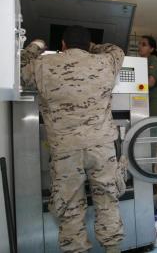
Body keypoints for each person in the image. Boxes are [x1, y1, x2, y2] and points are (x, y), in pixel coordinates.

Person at [20, 25, 126, 253]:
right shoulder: (107, 62)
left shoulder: (41, 66)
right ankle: (113, 249)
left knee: (69, 207)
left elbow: (17, 68)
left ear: (63, 45)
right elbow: (117, 50)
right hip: (102, 148)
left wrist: (36, 46)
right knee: (108, 200)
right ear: (88, 46)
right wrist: (94, 48)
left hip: (66, 152)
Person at [138, 35, 157, 117]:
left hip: (155, 99)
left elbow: (150, 82)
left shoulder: (153, 59)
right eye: (139, 44)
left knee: (153, 127)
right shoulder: (141, 62)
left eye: (143, 44)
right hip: (146, 98)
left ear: (151, 49)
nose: (140, 46)